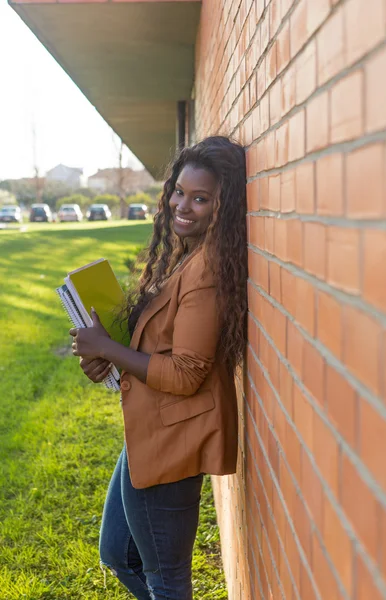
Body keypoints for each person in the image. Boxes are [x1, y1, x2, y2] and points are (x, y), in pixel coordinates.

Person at [69, 135, 248, 600]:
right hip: (149, 431)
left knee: (166, 582)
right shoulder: (185, 255)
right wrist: (105, 354)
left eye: (200, 198)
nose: (182, 205)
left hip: (174, 442)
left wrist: (109, 349)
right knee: (119, 554)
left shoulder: (207, 270)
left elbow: (186, 373)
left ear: (222, 206)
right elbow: (161, 344)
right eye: (179, 192)